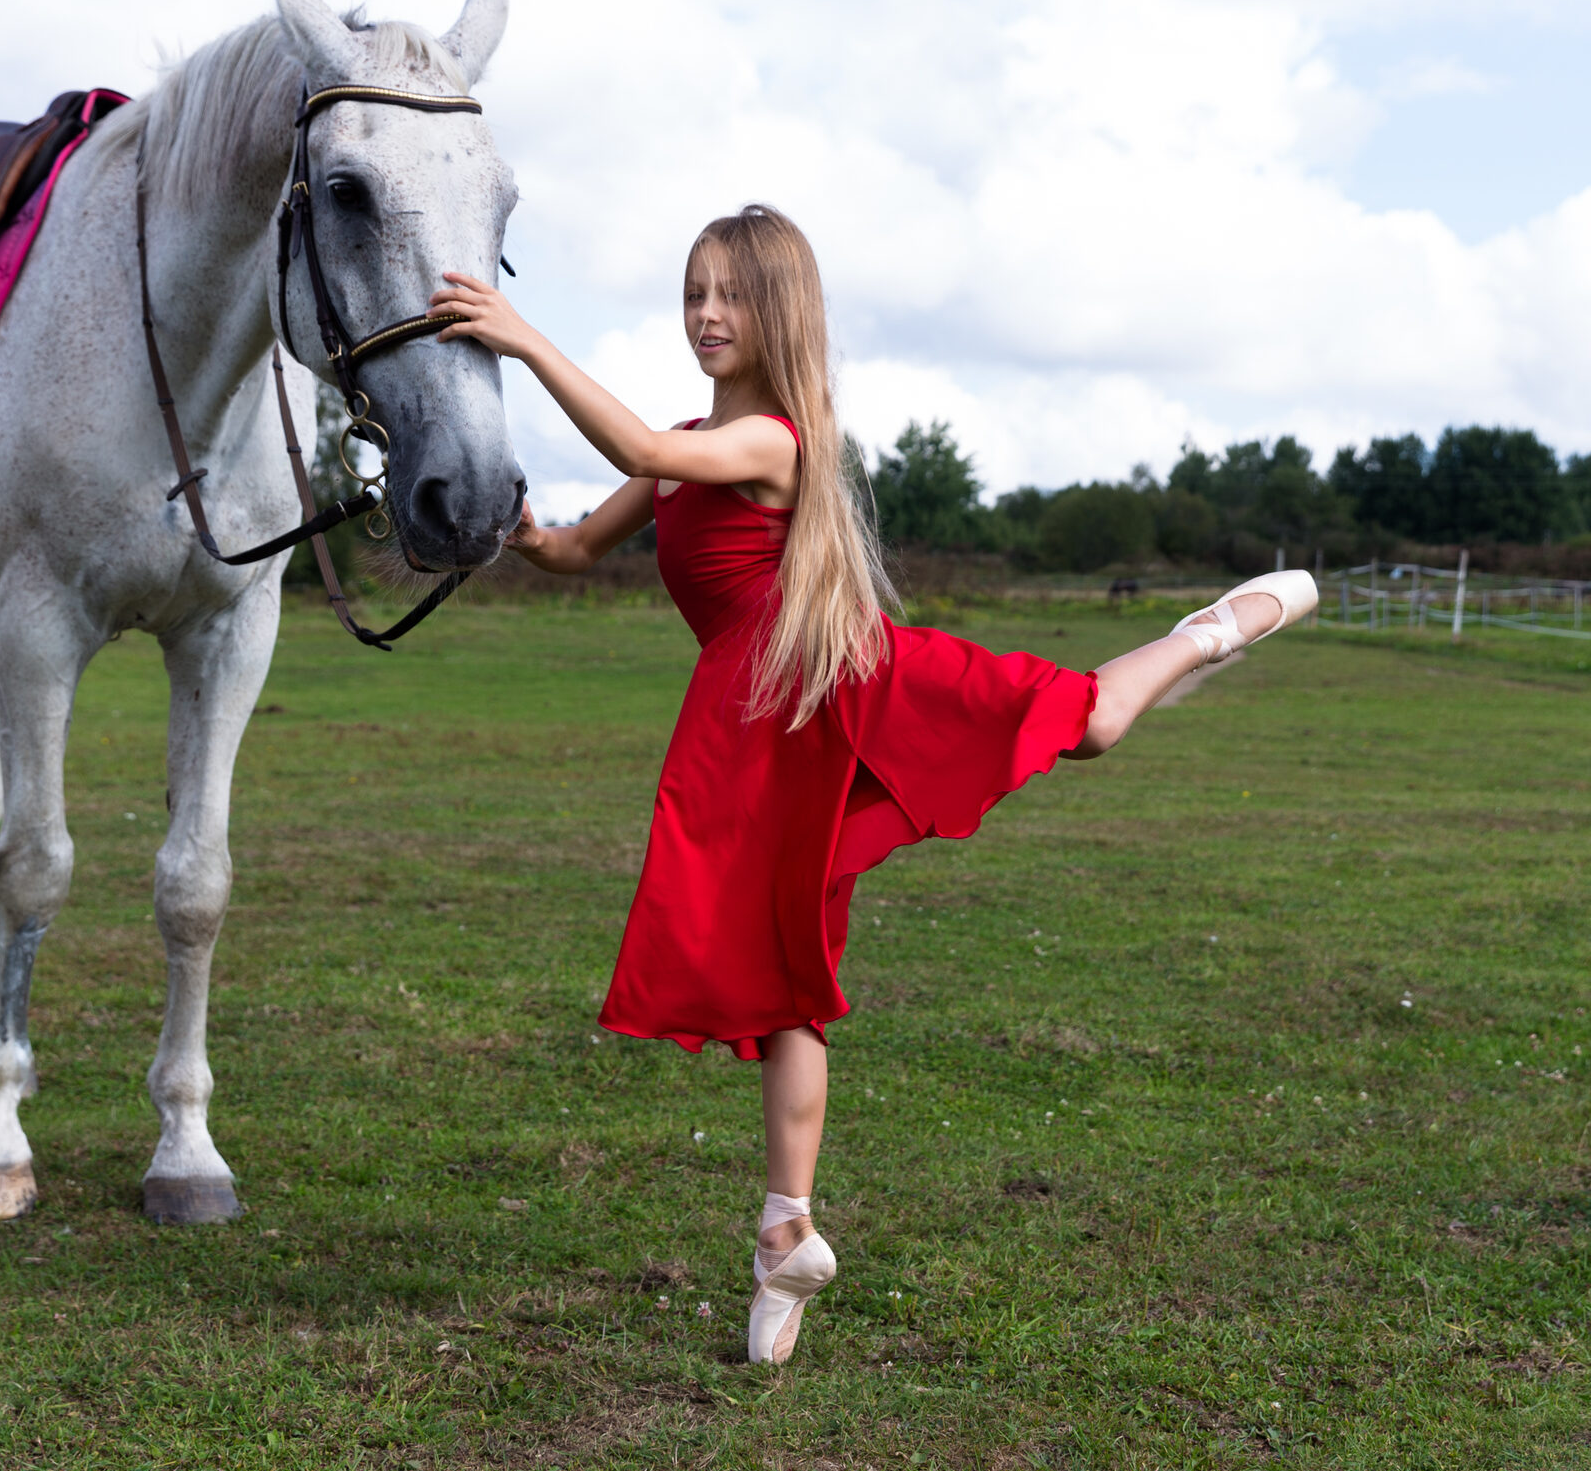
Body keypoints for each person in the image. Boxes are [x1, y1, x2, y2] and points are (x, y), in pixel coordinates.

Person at [430, 207, 1316, 1365]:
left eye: (730, 296)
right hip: (758, 721)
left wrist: (523, 337)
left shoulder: (778, 443)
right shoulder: (696, 441)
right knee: (784, 966)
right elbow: (574, 549)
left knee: (1088, 719)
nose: (704, 314)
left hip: (838, 681)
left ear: (777, 313)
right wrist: (498, 523)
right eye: (694, 292)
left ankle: (1213, 629)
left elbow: (643, 452)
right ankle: (783, 1235)